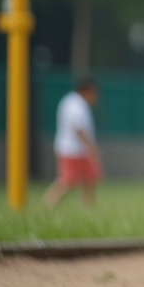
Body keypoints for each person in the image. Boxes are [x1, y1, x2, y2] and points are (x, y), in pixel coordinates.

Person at [43, 78, 101, 208]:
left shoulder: (71, 101)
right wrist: (91, 147)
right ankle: (48, 203)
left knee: (90, 178)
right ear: (88, 91)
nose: (96, 97)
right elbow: (79, 129)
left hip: (77, 149)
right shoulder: (76, 105)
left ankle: (88, 208)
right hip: (72, 149)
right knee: (68, 181)